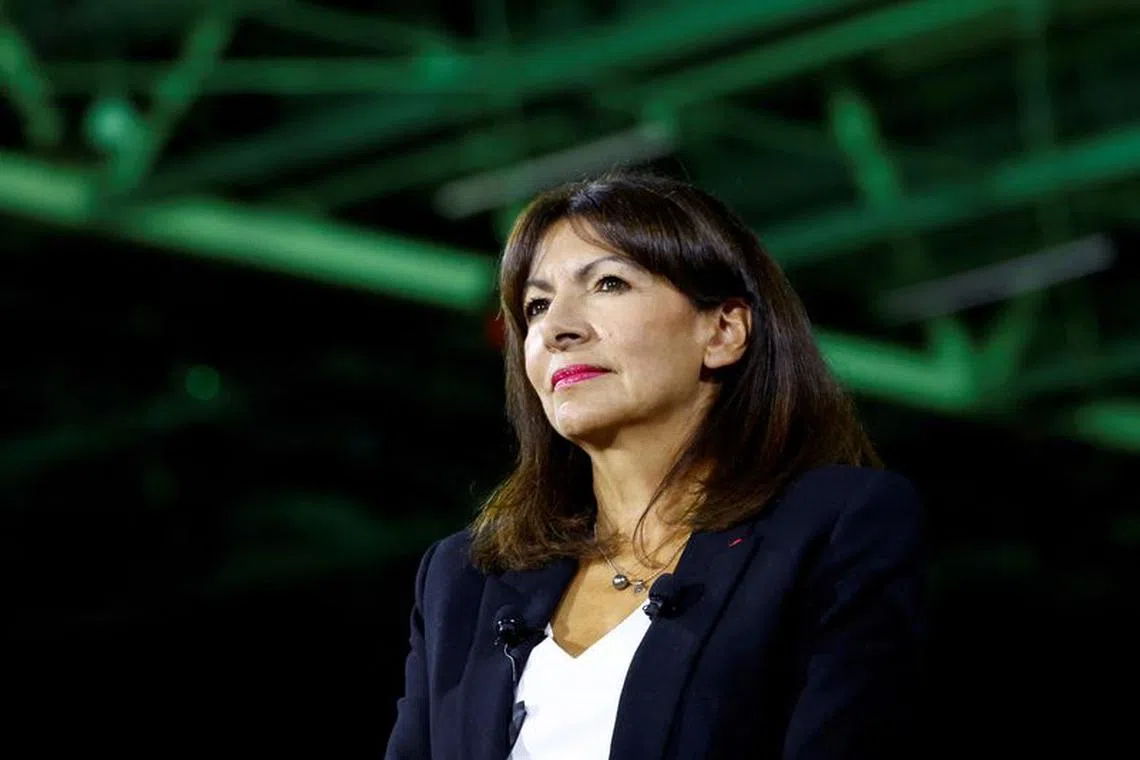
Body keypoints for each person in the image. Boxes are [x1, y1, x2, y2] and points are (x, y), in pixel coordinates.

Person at [384, 170, 927, 760]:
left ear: (723, 331)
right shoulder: (463, 580)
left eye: (609, 283)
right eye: (536, 305)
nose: (557, 328)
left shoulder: (833, 527)